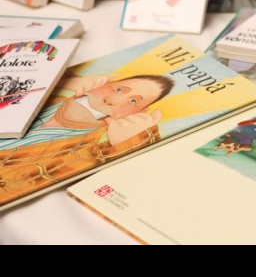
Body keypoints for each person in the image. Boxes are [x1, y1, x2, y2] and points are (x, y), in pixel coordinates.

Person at [0, 73, 174, 205]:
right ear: (101, 83)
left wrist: (115, 144)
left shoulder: (95, 148)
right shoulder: (52, 90)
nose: (112, 100)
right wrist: (56, 83)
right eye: (118, 89)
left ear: (139, 113)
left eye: (133, 101)